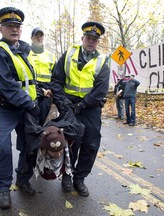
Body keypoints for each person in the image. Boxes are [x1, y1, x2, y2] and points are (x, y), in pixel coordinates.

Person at [0, 7, 40, 209]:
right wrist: (31, 104)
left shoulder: (23, 51)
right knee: (2, 148)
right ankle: (3, 189)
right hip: (5, 108)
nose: (14, 29)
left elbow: (28, 81)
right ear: (1, 29)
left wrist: (40, 94)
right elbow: (7, 85)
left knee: (30, 146)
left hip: (25, 109)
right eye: (9, 26)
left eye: (17, 26)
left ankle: (22, 180)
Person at [51, 21, 110, 197]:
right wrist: (63, 103)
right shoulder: (69, 54)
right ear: (82, 38)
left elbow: (100, 91)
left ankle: (80, 178)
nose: (91, 42)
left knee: (91, 144)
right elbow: (56, 80)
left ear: (98, 42)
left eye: (95, 39)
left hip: (89, 107)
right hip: (68, 105)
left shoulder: (102, 61)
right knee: (70, 143)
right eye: (89, 38)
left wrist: (82, 105)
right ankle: (67, 176)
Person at [28, 28, 56, 124]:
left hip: (47, 91)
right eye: (36, 36)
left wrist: (51, 89)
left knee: (44, 122)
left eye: (41, 36)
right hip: (32, 89)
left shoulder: (51, 55)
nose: (39, 38)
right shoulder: (26, 54)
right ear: (31, 38)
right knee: (30, 123)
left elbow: (56, 76)